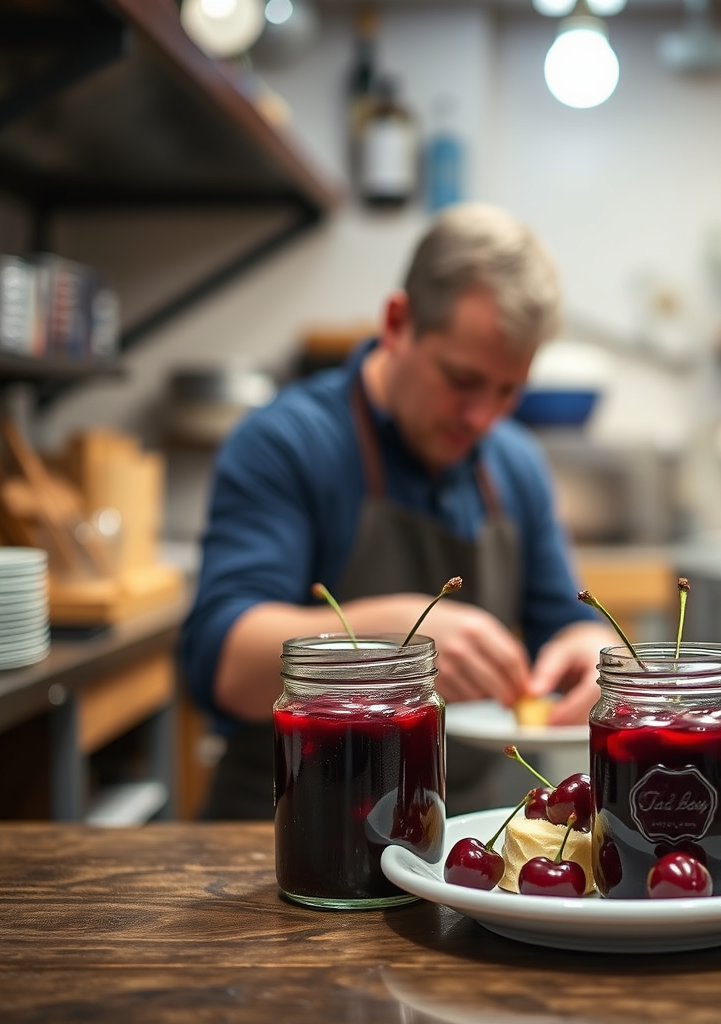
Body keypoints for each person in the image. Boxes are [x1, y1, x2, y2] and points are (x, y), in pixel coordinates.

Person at [179, 202, 617, 819]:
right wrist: (392, 642)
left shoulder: (515, 463)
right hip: (287, 826)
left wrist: (593, 651)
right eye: (462, 380)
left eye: (507, 390)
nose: (483, 418)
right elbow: (222, 662)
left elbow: (563, 623)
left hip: (458, 837)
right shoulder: (285, 442)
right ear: (396, 322)